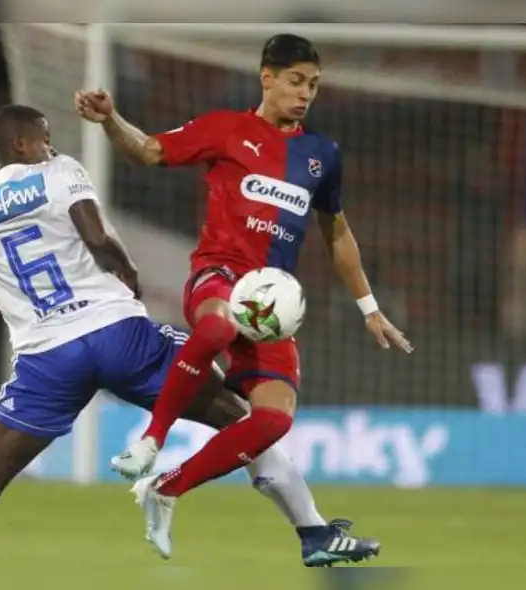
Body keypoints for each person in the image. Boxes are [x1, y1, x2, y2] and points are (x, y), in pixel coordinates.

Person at [0, 104, 377, 568]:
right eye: (46, 136)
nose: (51, 143)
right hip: (116, 332)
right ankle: (313, 532)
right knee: (240, 418)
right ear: (27, 142)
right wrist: (126, 272)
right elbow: (96, 236)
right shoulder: (59, 173)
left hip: (46, 357)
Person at [75, 33, 411, 559]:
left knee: (274, 420)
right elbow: (148, 150)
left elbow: (337, 233)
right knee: (215, 327)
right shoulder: (226, 130)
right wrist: (112, 119)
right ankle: (150, 442)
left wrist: (369, 308)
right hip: (216, 276)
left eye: (315, 86)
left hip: (271, 307)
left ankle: (167, 488)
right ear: (267, 78)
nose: (306, 94)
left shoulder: (321, 156)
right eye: (296, 81)